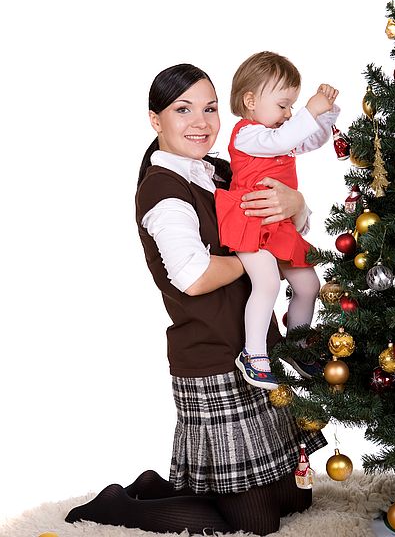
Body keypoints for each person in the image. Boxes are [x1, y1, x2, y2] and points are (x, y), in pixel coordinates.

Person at [65, 63, 327, 536]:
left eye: (209, 108)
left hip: (257, 352)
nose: (201, 122)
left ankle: (158, 486)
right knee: (258, 524)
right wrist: (258, 255)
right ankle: (117, 508)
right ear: (155, 119)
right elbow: (193, 277)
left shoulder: (223, 171)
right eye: (182, 109)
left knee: (297, 497)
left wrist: (297, 205)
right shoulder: (164, 192)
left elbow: (279, 226)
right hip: (212, 360)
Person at [215, 51, 339, 390]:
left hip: (278, 224)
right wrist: (308, 112)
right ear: (251, 101)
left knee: (308, 285)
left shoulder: (279, 134)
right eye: (284, 105)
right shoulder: (248, 135)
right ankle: (253, 354)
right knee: (267, 282)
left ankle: (296, 344)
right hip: (249, 222)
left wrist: (324, 115)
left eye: (293, 107)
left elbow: (309, 140)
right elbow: (285, 139)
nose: (289, 114)